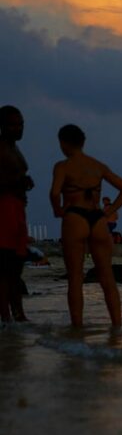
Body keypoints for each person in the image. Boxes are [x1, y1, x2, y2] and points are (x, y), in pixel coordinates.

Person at [49, 124, 122, 329]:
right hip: (97, 219)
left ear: (63, 143)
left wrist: (57, 210)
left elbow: (54, 193)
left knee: (76, 277)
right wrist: (109, 210)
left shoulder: (63, 166)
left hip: (75, 216)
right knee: (107, 277)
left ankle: (77, 328)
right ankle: (117, 327)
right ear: (83, 142)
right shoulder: (98, 166)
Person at [0, 105, 33, 323]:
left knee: (17, 263)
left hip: (18, 208)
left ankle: (18, 314)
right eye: (13, 124)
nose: (19, 128)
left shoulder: (15, 148)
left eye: (21, 123)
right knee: (5, 263)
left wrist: (23, 183)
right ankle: (7, 316)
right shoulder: (0, 148)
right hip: (4, 207)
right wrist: (16, 183)